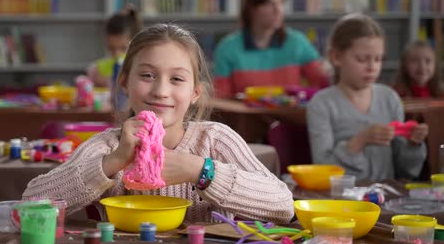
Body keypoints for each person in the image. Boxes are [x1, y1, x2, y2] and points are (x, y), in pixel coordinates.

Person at [23, 24, 294, 224]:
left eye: (177, 79)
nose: (161, 91)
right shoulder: (108, 146)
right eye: (148, 75)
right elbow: (30, 203)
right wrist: (111, 163)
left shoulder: (215, 140)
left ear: (195, 93)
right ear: (125, 83)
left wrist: (200, 171)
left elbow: (283, 205)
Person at [307, 14, 428, 181]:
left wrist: (413, 144)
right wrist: (360, 141)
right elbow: (322, 168)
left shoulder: (389, 98)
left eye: (378, 59)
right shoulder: (322, 104)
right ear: (336, 57)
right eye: (362, 59)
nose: (372, 67)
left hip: (387, 198)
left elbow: (405, 171)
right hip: (342, 203)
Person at [213, 0, 329, 98]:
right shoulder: (227, 49)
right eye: (270, 3)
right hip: (244, 117)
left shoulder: (297, 43)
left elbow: (323, 86)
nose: (278, 10)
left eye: (281, 2)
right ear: (251, 8)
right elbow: (222, 101)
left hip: (291, 116)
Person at [87, 5, 142, 88]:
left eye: (123, 48)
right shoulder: (96, 70)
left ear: (136, 43)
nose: (117, 54)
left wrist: (110, 82)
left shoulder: (142, 69)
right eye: (111, 48)